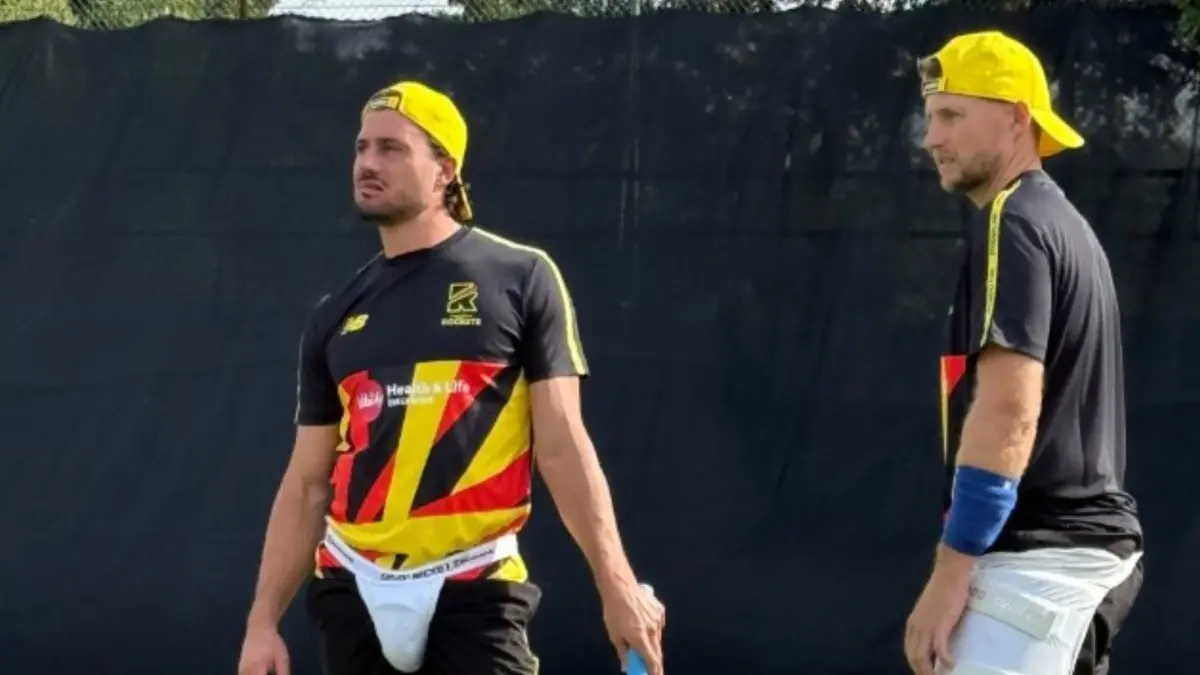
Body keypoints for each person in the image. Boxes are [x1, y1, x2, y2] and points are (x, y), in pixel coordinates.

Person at [236, 80, 665, 675]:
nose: (367, 163)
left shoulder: (520, 277)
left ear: (445, 169)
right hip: (350, 582)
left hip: (474, 581)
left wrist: (616, 586)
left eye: (391, 148)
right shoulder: (335, 313)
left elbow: (564, 447)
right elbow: (308, 482)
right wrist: (262, 622)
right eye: (361, 148)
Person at [903, 31, 1145, 675]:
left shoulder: (1013, 222)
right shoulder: (1057, 222)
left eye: (952, 115)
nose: (932, 138)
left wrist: (950, 577)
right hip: (1065, 562)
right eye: (931, 117)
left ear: (1016, 119)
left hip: (1040, 566)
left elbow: (1008, 413)